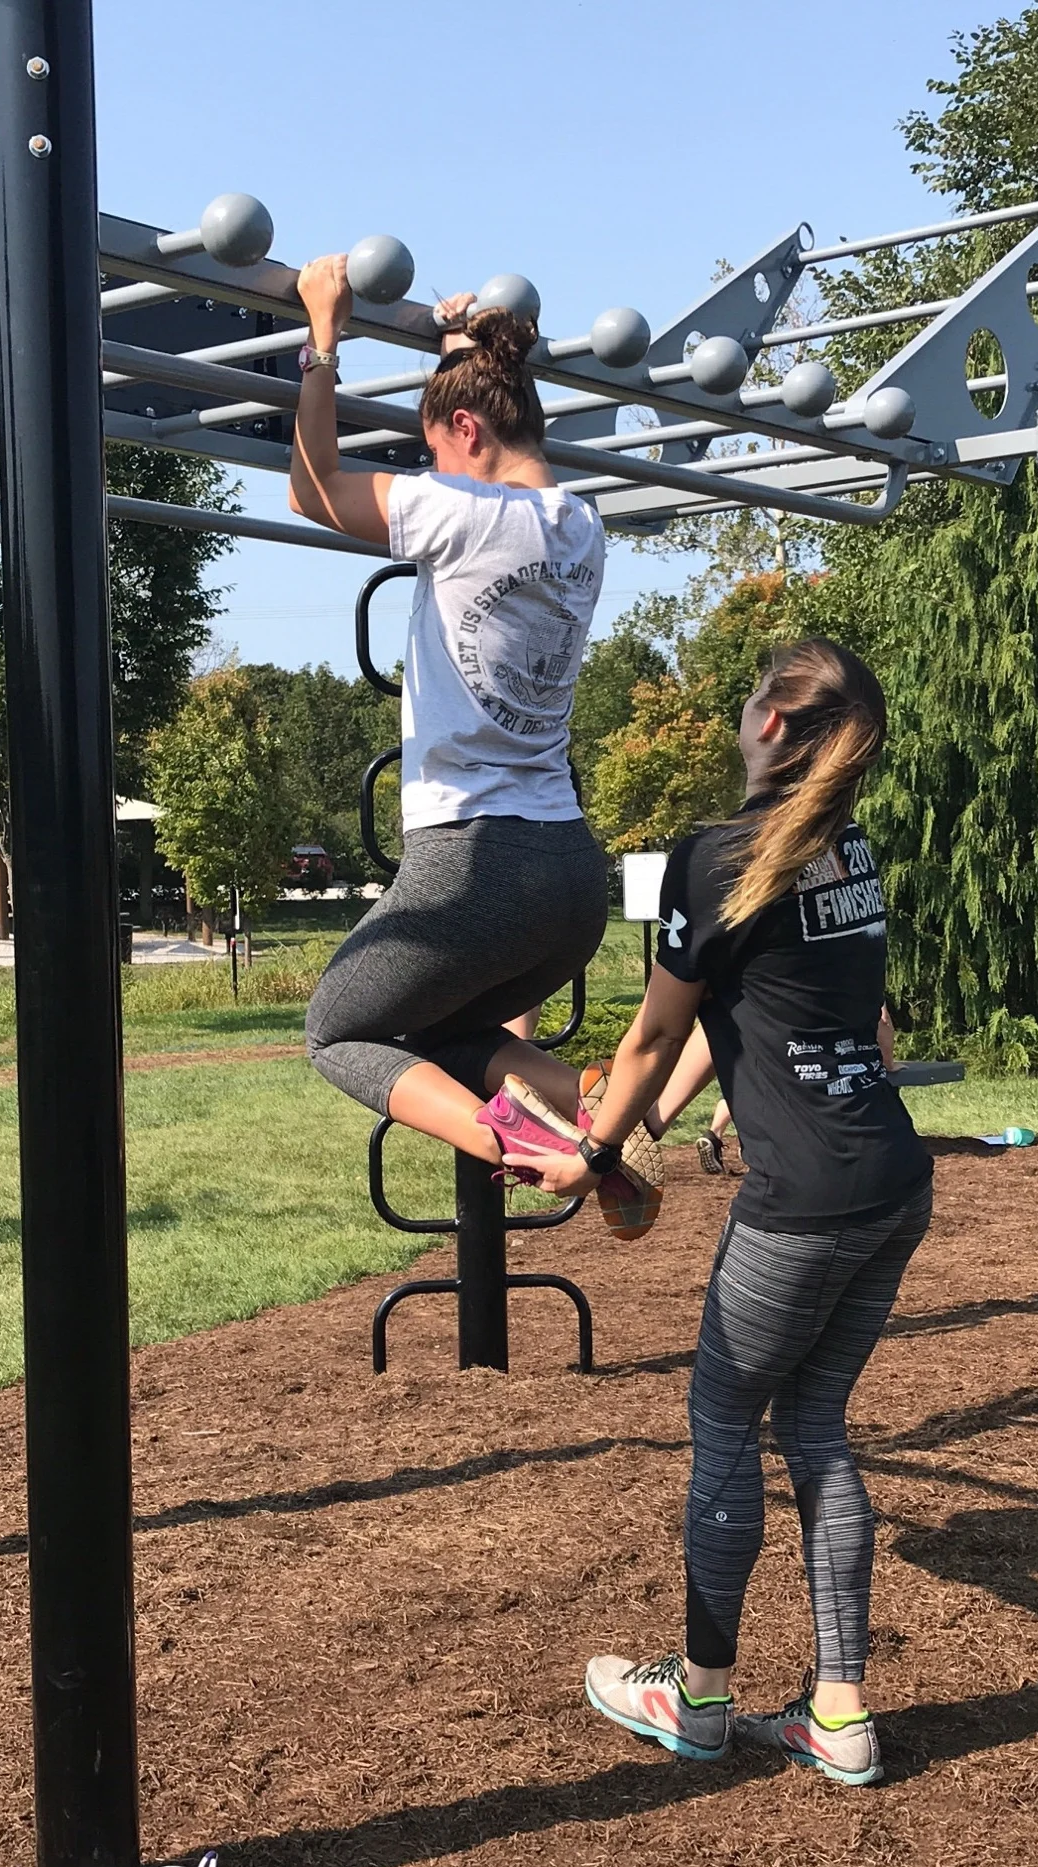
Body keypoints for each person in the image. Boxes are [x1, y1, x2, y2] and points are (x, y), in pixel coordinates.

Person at [509, 639, 933, 1783]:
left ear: (773, 725)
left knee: (722, 1428)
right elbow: (742, 1017)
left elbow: (651, 1035)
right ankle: (838, 1716)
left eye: (747, 700)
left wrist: (586, 1152)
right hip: (893, 1181)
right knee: (817, 1430)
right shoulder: (847, 850)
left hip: (798, 1200)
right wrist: (645, 1124)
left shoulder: (715, 854)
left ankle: (696, 1698)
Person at [289, 256, 659, 1237]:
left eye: (440, 450)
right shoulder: (582, 526)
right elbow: (480, 439)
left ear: (466, 433)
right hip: (568, 876)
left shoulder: (459, 511)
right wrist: (460, 351)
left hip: (474, 863)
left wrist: (323, 336)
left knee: (335, 1030)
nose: (433, 477)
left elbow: (313, 487)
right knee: (451, 1032)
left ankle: (531, 1144)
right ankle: (582, 1100)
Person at [652, 1007, 897, 1174]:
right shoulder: (856, 968)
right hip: (821, 1094)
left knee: (742, 1093)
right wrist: (889, 1062)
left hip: (754, 1051)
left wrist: (652, 1124)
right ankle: (748, 1149)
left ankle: (714, 1133)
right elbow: (882, 1023)